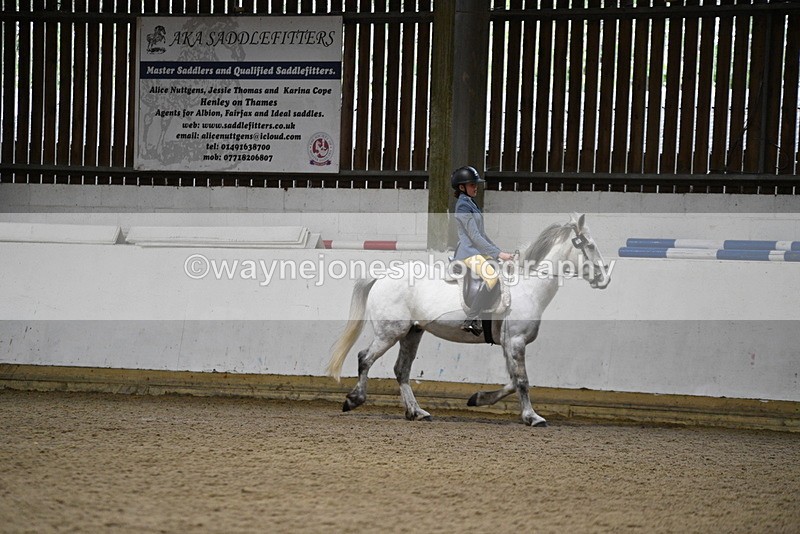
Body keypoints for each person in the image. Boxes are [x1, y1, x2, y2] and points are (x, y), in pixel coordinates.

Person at [451, 166, 514, 336]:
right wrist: (498, 254)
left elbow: (483, 235)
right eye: (472, 184)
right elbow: (475, 237)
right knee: (492, 277)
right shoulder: (463, 206)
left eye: (475, 184)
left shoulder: (471, 202)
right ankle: (471, 318)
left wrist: (499, 252)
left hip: (478, 251)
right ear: (462, 187)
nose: (476, 187)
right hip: (469, 253)